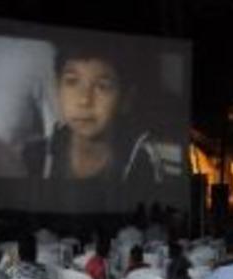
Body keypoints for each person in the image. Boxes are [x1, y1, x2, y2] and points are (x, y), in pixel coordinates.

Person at [23, 42, 159, 182]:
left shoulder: (141, 162)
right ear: (58, 90)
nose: (84, 100)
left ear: (125, 99)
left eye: (102, 86)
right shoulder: (36, 156)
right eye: (72, 81)